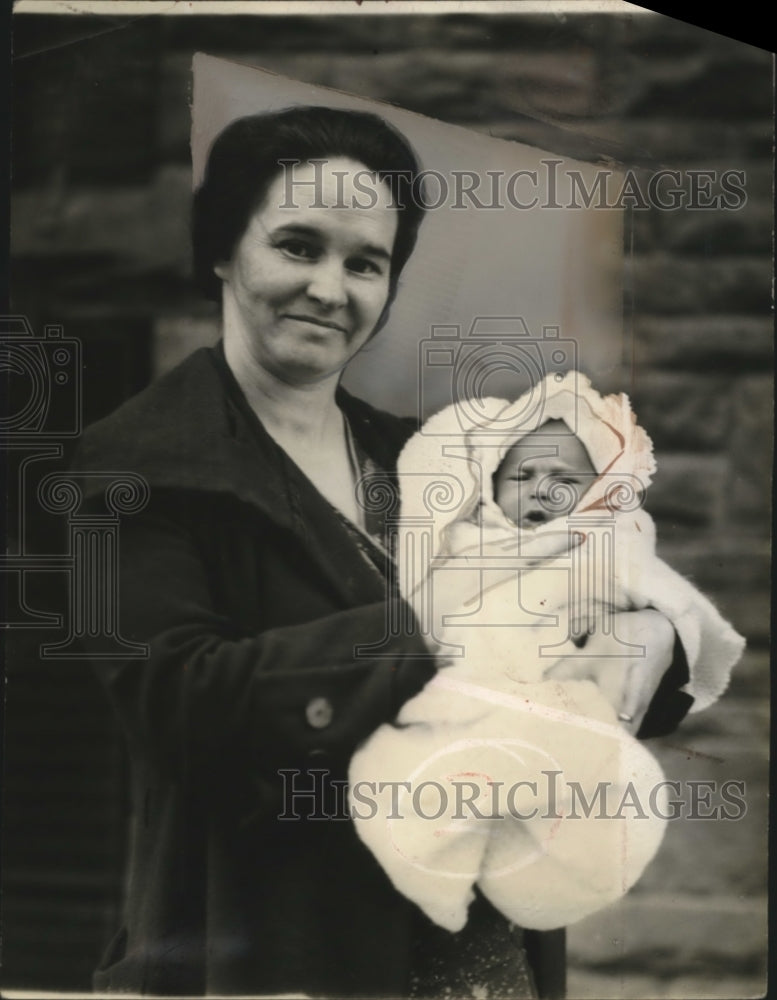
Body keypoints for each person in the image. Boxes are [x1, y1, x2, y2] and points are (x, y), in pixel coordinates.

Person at [75, 106, 692, 998]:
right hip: (285, 955)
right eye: (297, 245)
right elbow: (180, 705)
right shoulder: (131, 471)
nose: (331, 289)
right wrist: (435, 630)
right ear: (221, 250)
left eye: (365, 263)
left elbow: (588, 573)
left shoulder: (424, 459)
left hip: (489, 956)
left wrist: (652, 636)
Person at [349, 372, 745, 935]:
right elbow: (424, 608)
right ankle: (438, 877)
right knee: (411, 780)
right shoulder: (467, 539)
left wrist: (656, 624)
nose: (540, 489)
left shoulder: (604, 547)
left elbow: (673, 603)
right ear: (490, 485)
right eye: (524, 475)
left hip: (557, 695)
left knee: (602, 787)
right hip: (465, 692)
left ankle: (555, 858)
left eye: (564, 479)